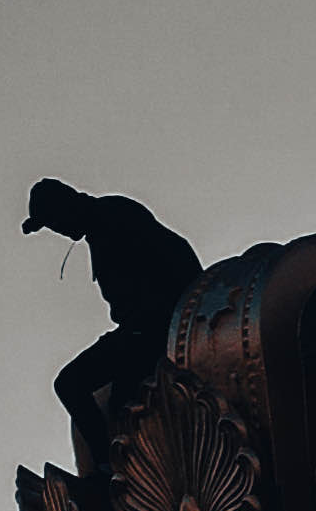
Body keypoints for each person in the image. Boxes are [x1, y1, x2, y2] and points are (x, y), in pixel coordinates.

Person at [25, 178, 204, 444]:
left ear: (66, 206)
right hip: (148, 327)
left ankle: (106, 462)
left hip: (153, 329)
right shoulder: (105, 220)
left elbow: (167, 262)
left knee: (72, 385)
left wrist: (146, 324)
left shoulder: (112, 219)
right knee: (101, 395)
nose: (58, 230)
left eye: (54, 221)